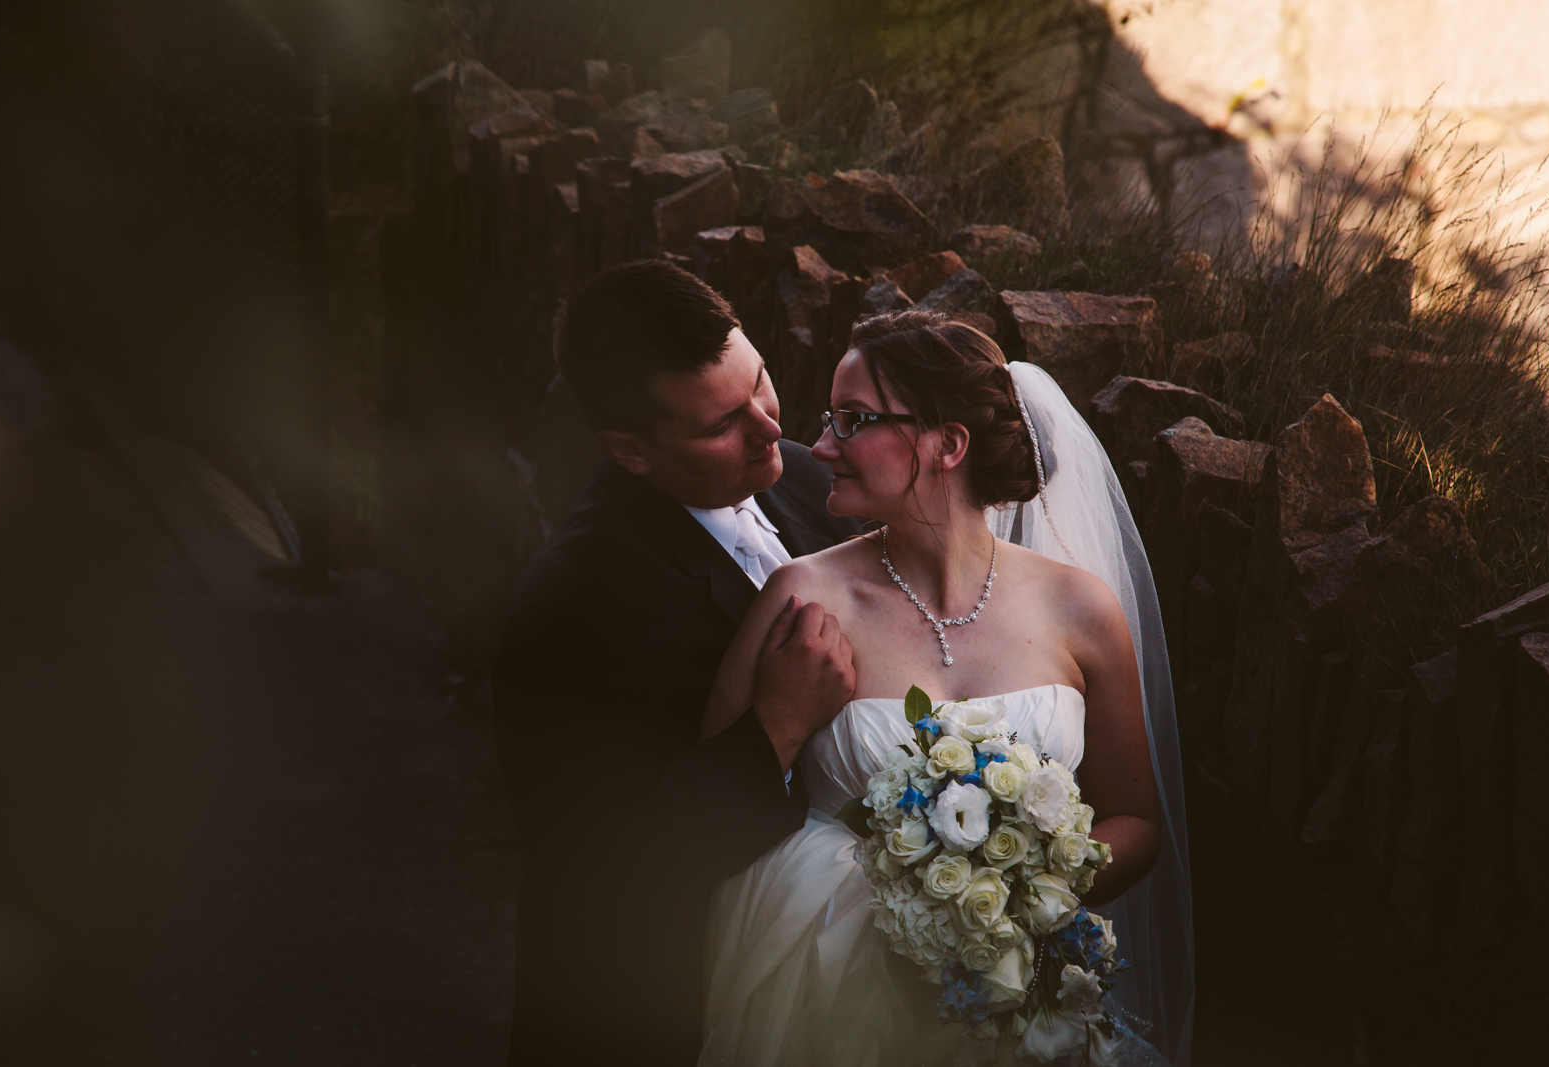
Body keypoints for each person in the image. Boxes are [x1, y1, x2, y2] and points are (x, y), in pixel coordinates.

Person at [697, 311, 1195, 1066]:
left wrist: (1018, 889)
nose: (822, 444)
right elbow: (711, 813)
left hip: (1011, 996)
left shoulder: (1082, 609)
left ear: (947, 444)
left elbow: (1134, 819)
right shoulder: (801, 599)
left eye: (854, 420)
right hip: (828, 998)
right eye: (830, 419)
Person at [492, 260, 865, 1067]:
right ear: (629, 452)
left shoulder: (803, 477)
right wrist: (774, 728)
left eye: (760, 381)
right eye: (719, 425)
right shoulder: (566, 614)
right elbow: (603, 876)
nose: (771, 427)